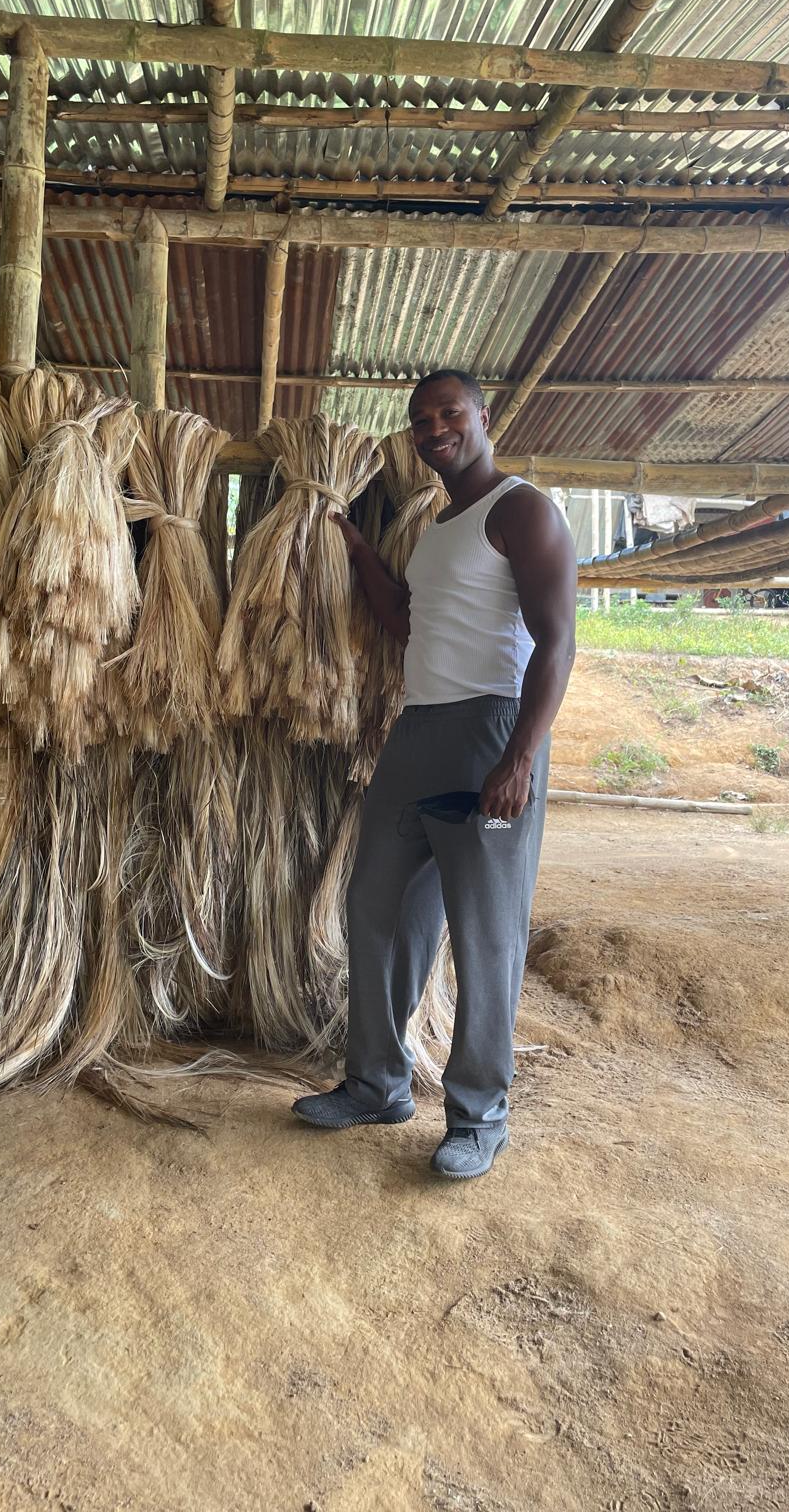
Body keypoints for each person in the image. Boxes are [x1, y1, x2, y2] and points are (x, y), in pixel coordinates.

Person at [292, 370, 577, 1179]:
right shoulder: (442, 526)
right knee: (375, 906)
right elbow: (405, 621)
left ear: (483, 418)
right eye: (421, 420)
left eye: (449, 413)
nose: (434, 428)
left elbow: (557, 641)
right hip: (416, 729)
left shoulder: (521, 508)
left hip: (490, 727)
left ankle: (480, 1117)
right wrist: (356, 551)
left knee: (485, 930)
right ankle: (377, 1084)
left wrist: (520, 755)